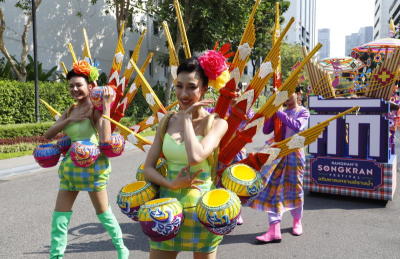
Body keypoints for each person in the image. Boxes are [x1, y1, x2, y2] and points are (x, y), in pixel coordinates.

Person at [143, 56, 228, 259]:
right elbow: (148, 168)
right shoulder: (167, 121)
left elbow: (196, 157)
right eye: (179, 86)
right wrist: (171, 184)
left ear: (204, 89)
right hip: (166, 212)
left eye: (191, 87)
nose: (184, 93)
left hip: (202, 211)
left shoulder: (217, 123)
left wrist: (187, 119)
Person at [43, 61, 129, 259]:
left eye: (78, 85)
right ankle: (56, 256)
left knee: (104, 214)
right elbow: (48, 135)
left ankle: (121, 250)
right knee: (59, 217)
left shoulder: (94, 110)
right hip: (71, 169)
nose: (74, 89)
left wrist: (106, 107)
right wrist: (68, 120)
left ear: (90, 87)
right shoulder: (71, 110)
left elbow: (106, 140)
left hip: (93, 168)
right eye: (71, 86)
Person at [248, 91, 310, 243]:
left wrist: (279, 113)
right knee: (273, 189)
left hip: (295, 154)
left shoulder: (303, 111)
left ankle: (297, 221)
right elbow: (266, 130)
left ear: (298, 93)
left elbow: (297, 127)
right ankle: (274, 229)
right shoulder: (280, 111)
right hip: (277, 154)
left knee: (295, 188)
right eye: (284, 95)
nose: (287, 98)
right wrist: (272, 113)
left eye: (290, 94)